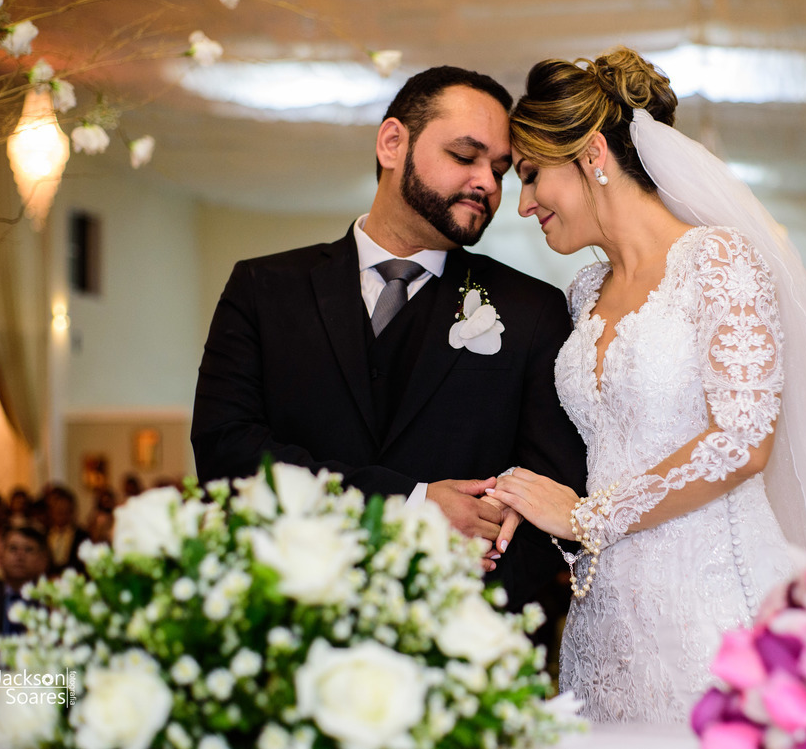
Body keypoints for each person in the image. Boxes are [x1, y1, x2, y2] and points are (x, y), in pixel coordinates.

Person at [486, 47, 806, 722]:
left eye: (532, 175)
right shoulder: (584, 292)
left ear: (592, 153)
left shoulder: (718, 260)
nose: (523, 204)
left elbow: (743, 441)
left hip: (715, 611)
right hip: (606, 622)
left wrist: (588, 517)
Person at [191, 66, 587, 610]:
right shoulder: (263, 289)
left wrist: (457, 617)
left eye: (500, 170)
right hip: (284, 618)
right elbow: (226, 454)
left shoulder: (533, 311)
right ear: (392, 143)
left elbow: (552, 501)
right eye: (464, 156)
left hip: (460, 633)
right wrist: (409, 504)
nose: (489, 184)